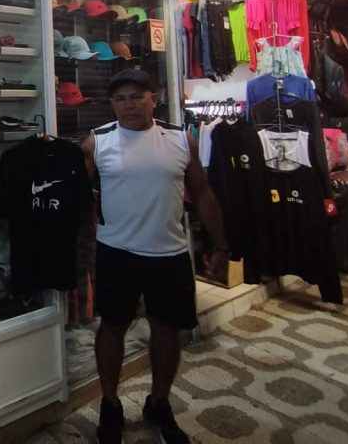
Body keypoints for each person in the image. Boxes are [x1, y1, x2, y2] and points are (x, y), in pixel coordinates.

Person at [81, 69, 229, 444]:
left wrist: (221, 246)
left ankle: (159, 403)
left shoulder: (180, 139)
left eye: (136, 96)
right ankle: (110, 404)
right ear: (112, 104)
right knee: (112, 328)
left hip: (169, 253)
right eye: (120, 99)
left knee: (166, 330)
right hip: (116, 253)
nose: (128, 105)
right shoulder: (97, 142)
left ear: (154, 98)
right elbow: (78, 199)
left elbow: (203, 193)